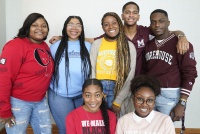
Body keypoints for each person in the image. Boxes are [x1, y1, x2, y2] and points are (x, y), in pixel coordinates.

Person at [49, 1, 189, 77]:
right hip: (119, 81)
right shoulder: (114, 32)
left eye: (134, 13)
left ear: (139, 16)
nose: (131, 15)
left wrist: (181, 35)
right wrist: (65, 36)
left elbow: (165, 31)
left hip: (140, 78)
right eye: (127, 12)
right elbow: (92, 40)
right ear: (122, 16)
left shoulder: (146, 31)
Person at [144, 9, 197, 132]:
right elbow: (145, 71)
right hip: (150, 93)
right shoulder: (148, 45)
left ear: (168, 23)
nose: (157, 25)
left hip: (170, 95)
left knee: (166, 130)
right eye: (153, 22)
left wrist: (182, 103)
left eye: (161, 21)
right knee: (150, 129)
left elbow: (190, 74)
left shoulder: (181, 44)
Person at [0, 13, 53, 134]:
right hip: (18, 103)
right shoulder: (15, 45)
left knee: (46, 132)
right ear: (27, 27)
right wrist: (4, 111)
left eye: (44, 26)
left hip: (40, 101)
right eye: (35, 25)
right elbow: (3, 79)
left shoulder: (44, 46)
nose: (40, 28)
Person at [48, 16, 91, 134]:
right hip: (59, 95)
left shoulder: (88, 46)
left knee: (81, 128)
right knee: (66, 129)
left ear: (82, 28)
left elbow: (104, 39)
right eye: (70, 24)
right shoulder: (55, 46)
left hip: (82, 95)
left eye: (78, 25)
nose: (74, 27)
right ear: (65, 27)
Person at [90, 12, 136, 116]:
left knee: (117, 123)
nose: (111, 26)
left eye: (114, 23)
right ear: (103, 28)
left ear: (119, 24)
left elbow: (130, 76)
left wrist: (118, 100)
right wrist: (96, 93)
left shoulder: (129, 46)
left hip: (119, 89)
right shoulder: (97, 44)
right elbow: (92, 69)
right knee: (100, 121)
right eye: (106, 24)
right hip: (99, 88)